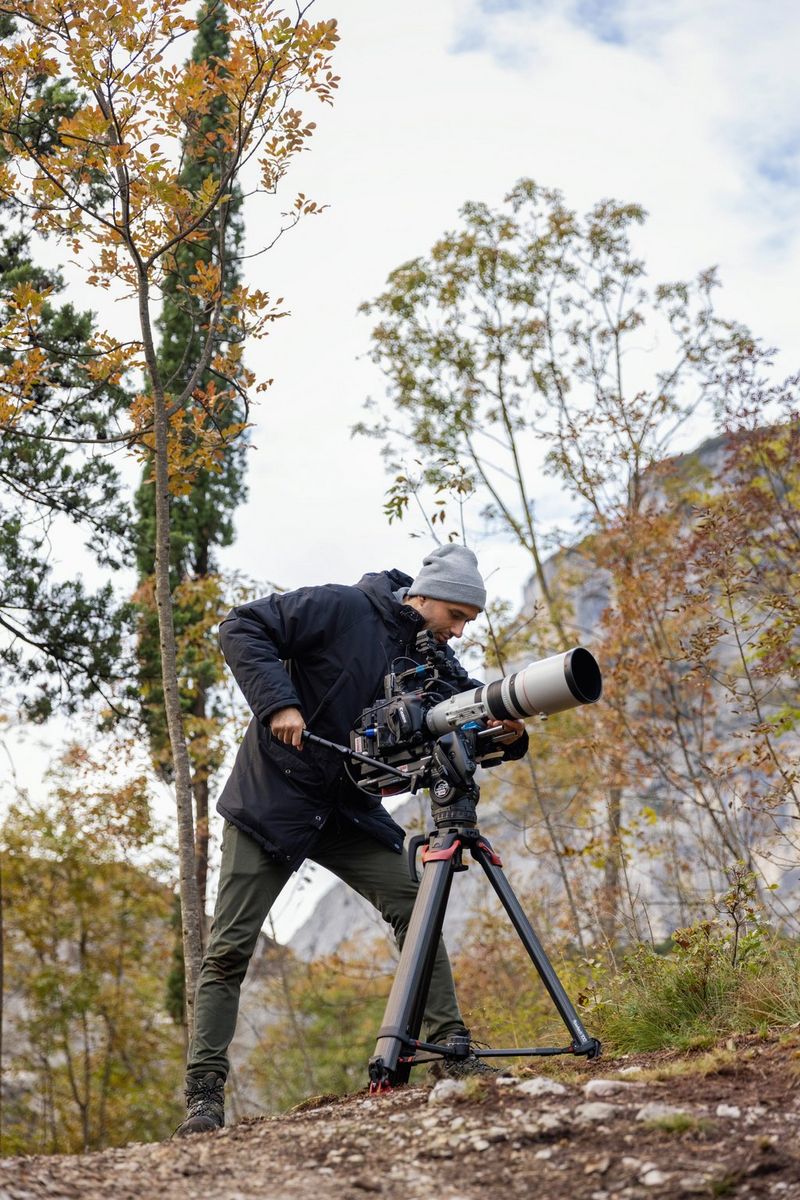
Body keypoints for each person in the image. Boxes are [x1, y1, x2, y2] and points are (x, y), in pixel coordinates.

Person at [174, 544, 528, 1137]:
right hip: (273, 802)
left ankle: (451, 1053)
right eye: (458, 617)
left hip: (349, 810)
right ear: (427, 596)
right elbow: (241, 625)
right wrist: (278, 703)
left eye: (469, 622)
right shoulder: (342, 607)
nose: (460, 632)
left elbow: (467, 708)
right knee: (229, 950)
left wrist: (508, 734)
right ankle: (203, 1099)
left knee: (418, 907)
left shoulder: (433, 656)